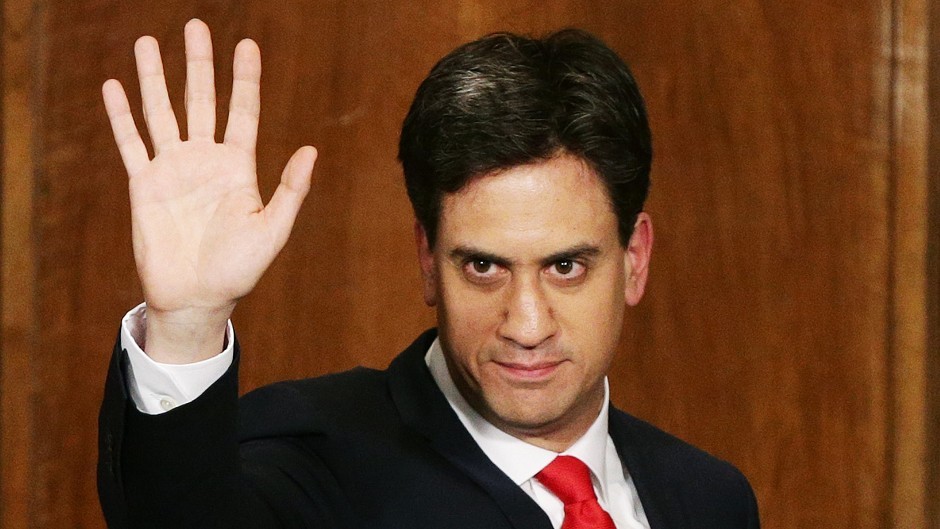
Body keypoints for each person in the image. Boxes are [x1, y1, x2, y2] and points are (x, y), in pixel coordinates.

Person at [97, 18, 759, 529]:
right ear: (428, 262)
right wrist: (186, 325)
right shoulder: (318, 463)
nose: (526, 324)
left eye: (565, 266)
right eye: (482, 266)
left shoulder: (710, 497)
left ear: (634, 260)